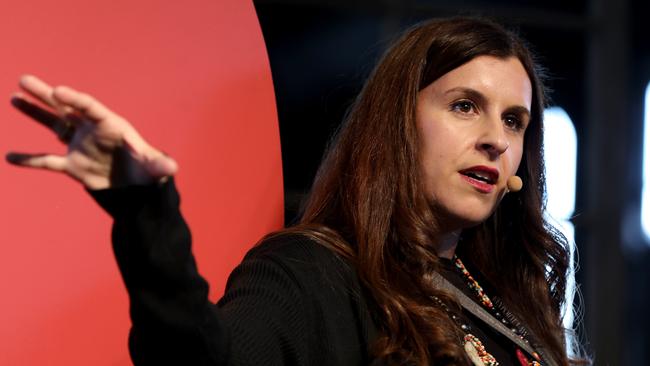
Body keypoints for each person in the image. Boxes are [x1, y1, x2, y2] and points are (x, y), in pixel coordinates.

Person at [6, 17, 587, 366]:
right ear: (396, 124)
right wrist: (143, 208)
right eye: (465, 106)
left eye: (514, 121)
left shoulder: (502, 293)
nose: (495, 139)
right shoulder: (310, 273)